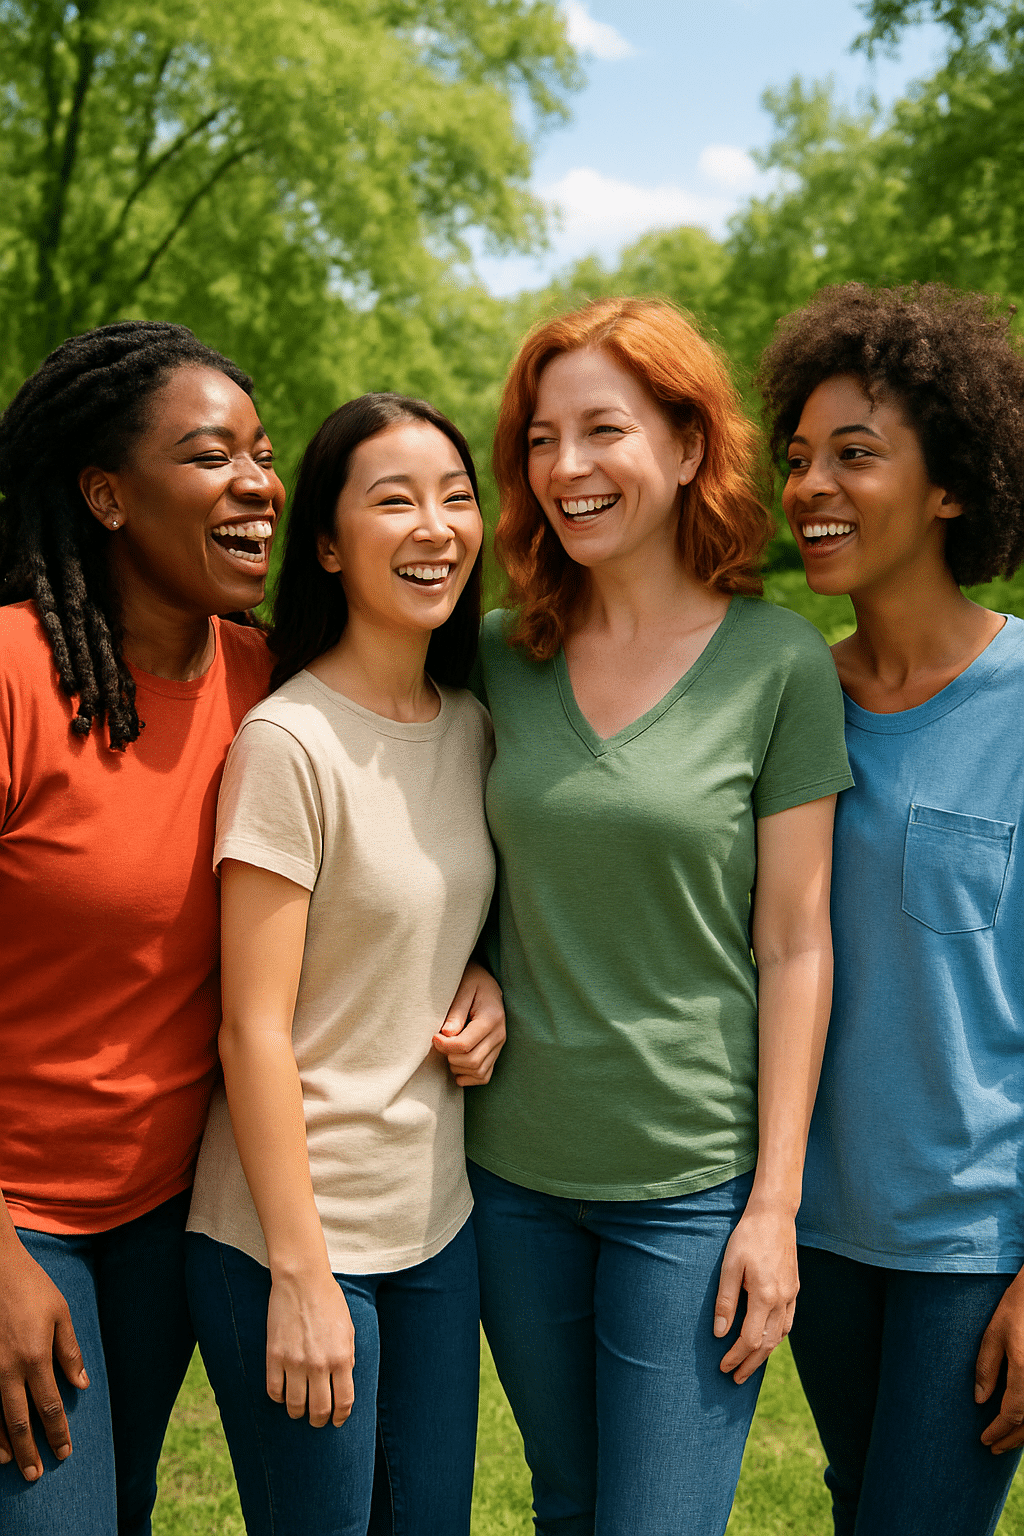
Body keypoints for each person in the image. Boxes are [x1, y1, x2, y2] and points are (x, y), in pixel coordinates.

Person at [465, 296, 853, 1535]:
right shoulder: (488, 653)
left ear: (689, 446)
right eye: (539, 438)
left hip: (690, 1188)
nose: (565, 468)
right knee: (569, 1508)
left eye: (602, 431)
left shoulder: (778, 662)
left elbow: (794, 945)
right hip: (508, 1178)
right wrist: (467, 970)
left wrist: (773, 1209)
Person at [185, 393, 504, 1536]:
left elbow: (435, 923)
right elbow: (252, 1028)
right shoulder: (287, 742)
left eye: (457, 498)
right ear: (326, 543)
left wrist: (484, 982)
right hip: (291, 1233)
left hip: (436, 1223)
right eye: (395, 501)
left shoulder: (470, 724)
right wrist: (301, 1275)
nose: (435, 526)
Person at [0, 321, 286, 1534]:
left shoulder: (269, 683)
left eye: (262, 455)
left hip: (166, 1224)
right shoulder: (13, 675)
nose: (258, 485)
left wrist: (477, 980)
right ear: (108, 496)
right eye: (212, 457)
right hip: (19, 1221)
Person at [756, 280, 1024, 1536]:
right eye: (799, 458)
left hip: (975, 1246)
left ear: (952, 485)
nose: (811, 486)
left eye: (855, 455)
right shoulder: (787, 698)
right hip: (818, 1230)